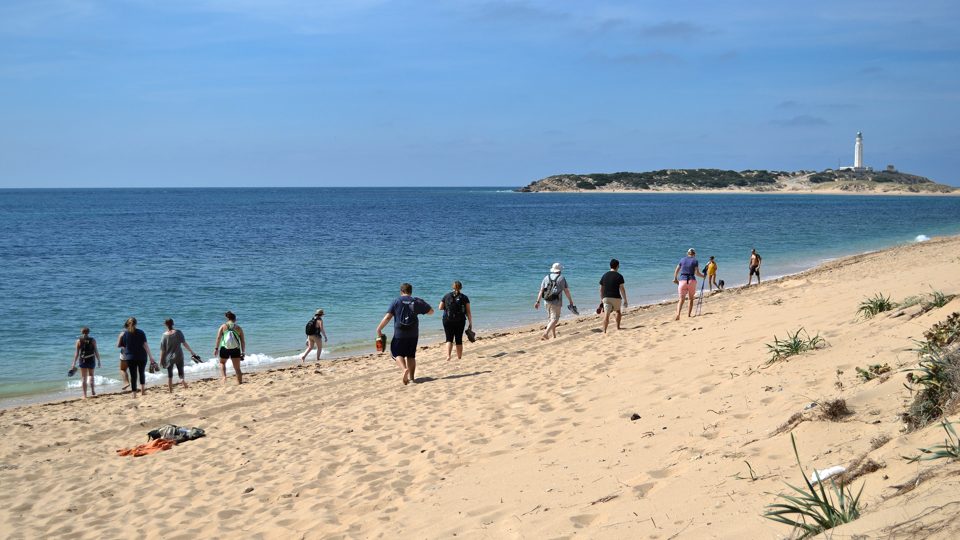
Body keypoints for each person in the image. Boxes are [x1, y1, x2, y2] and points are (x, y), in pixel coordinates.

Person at [376, 283, 433, 385]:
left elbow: (388, 317)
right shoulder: (415, 301)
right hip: (413, 333)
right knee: (411, 355)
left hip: (400, 333)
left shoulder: (396, 301)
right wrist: (422, 302)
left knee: (396, 353)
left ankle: (404, 369)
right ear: (411, 292)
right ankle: (411, 378)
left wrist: (379, 329)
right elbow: (431, 312)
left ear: (401, 291)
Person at [534, 262, 575, 340]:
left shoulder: (546, 277)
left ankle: (554, 335)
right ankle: (546, 333)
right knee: (555, 319)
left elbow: (541, 290)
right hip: (556, 302)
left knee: (551, 319)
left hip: (546, 301)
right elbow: (566, 291)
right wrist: (571, 301)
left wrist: (537, 301)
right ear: (560, 270)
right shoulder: (561, 278)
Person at [116, 317, 156, 397]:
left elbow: (119, 346)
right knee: (141, 373)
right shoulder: (141, 332)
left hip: (130, 357)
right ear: (136, 324)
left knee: (133, 375)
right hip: (142, 357)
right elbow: (145, 345)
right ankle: (142, 391)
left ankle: (134, 394)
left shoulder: (124, 334)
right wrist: (151, 357)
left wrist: (121, 339)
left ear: (127, 324)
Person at [159, 319, 199, 393]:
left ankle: (170, 390)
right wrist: (191, 352)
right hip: (179, 355)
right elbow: (184, 343)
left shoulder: (164, 336)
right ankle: (182, 380)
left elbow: (163, 350)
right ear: (173, 323)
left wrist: (161, 360)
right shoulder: (178, 332)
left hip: (169, 357)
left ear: (165, 325)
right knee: (180, 371)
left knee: (170, 374)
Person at [438, 281, 473, 361]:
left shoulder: (446, 296)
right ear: (461, 288)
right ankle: (459, 357)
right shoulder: (464, 297)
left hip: (447, 320)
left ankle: (448, 356)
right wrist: (470, 323)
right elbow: (468, 312)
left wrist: (447, 308)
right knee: (458, 339)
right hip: (460, 320)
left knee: (449, 338)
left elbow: (440, 307)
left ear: (453, 287)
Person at [214, 311, 245, 385]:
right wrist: (243, 352)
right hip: (236, 349)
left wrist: (216, 349)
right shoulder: (238, 328)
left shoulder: (223, 326)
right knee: (237, 368)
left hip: (224, 348)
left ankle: (224, 377)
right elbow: (243, 341)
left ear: (227, 319)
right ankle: (239, 383)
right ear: (235, 319)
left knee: (222, 362)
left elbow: (218, 338)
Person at [673, 248, 705, 320]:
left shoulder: (682, 259)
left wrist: (675, 278)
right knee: (691, 299)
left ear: (687, 253)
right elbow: (697, 273)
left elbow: (677, 269)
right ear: (694, 254)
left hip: (682, 281)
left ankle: (678, 314)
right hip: (691, 281)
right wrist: (703, 276)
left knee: (681, 299)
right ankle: (689, 315)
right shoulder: (695, 261)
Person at [599, 259, 628, 333]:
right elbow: (622, 289)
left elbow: (601, 289)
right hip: (616, 298)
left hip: (606, 298)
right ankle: (618, 327)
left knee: (606, 314)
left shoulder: (604, 275)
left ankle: (604, 331)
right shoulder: (619, 276)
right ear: (618, 266)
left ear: (610, 266)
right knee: (618, 311)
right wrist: (625, 300)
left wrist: (602, 300)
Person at [71, 327, 101, 398]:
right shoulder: (93, 340)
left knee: (84, 377)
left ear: (81, 332)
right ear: (88, 332)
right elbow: (96, 351)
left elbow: (77, 353)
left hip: (82, 360)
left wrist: (74, 362)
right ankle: (93, 391)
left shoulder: (78, 341)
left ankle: (84, 395)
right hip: (91, 359)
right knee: (91, 375)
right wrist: (99, 360)